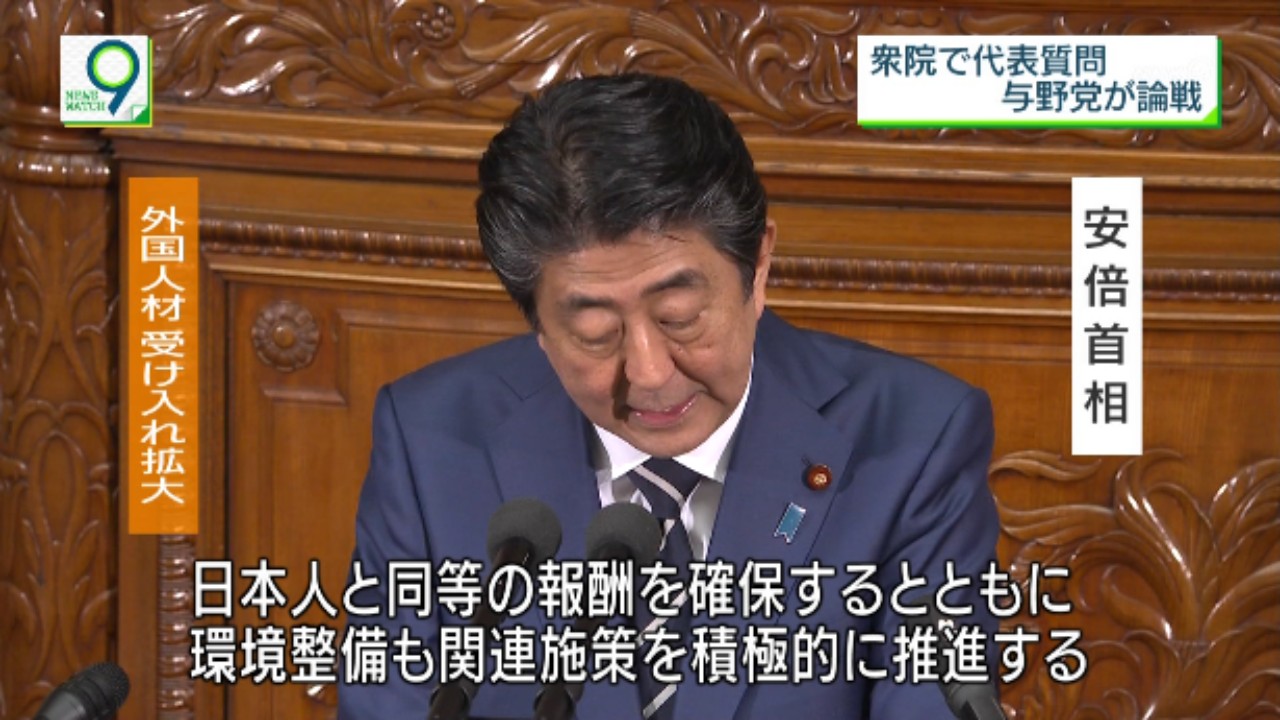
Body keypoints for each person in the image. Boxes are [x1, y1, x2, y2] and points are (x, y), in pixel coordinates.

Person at [338, 73, 1000, 720]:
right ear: (537, 324)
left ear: (757, 268)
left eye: (680, 317)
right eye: (595, 334)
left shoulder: (914, 442)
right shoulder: (431, 444)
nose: (650, 373)